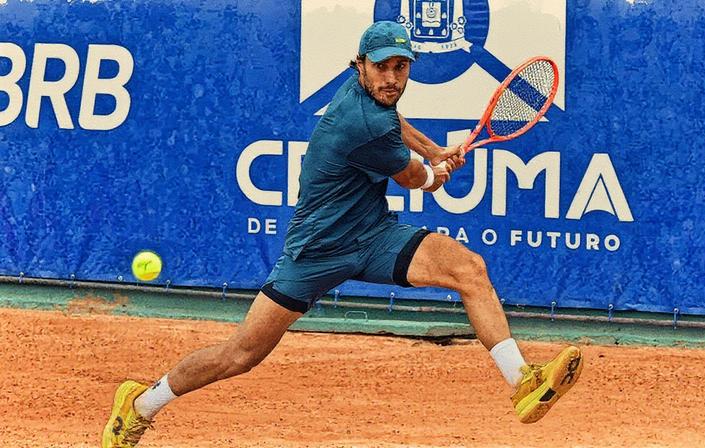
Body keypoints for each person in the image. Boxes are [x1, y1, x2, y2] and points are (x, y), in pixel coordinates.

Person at [102, 21, 583, 447]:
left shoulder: (370, 100)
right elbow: (416, 180)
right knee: (240, 355)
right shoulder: (360, 121)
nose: (392, 78)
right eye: (382, 68)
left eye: (401, 67)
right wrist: (438, 170)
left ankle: (522, 383)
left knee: (469, 268)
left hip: (373, 235)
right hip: (314, 253)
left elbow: (396, 123)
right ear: (360, 66)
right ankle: (141, 404)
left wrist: (436, 149)